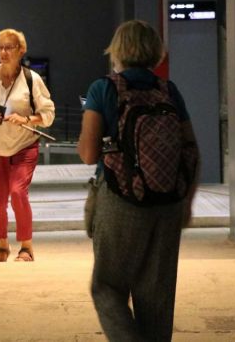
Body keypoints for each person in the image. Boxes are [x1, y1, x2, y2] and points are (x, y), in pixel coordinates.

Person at [77, 20, 200, 341]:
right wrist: (187, 201)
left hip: (121, 198)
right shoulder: (168, 90)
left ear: (118, 49)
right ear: (154, 51)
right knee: (156, 298)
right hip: (168, 201)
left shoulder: (103, 88)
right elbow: (191, 148)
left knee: (107, 287)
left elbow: (89, 154)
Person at [0, 28, 55, 262]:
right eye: (0, 47)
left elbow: (48, 113)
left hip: (23, 145)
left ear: (21, 50)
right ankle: (2, 245)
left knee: (18, 193)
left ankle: (26, 247)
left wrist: (26, 119)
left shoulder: (31, 79)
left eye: (9, 47)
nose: (3, 52)